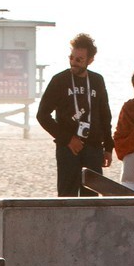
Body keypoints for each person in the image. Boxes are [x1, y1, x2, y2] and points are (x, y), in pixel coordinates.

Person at [37, 35, 111, 197]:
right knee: (67, 196)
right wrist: (67, 139)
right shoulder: (59, 80)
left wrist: (109, 147)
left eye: (79, 59)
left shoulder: (97, 80)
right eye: (71, 57)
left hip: (93, 148)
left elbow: (105, 115)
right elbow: (42, 115)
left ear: (90, 60)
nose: (73, 62)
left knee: (92, 197)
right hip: (68, 147)